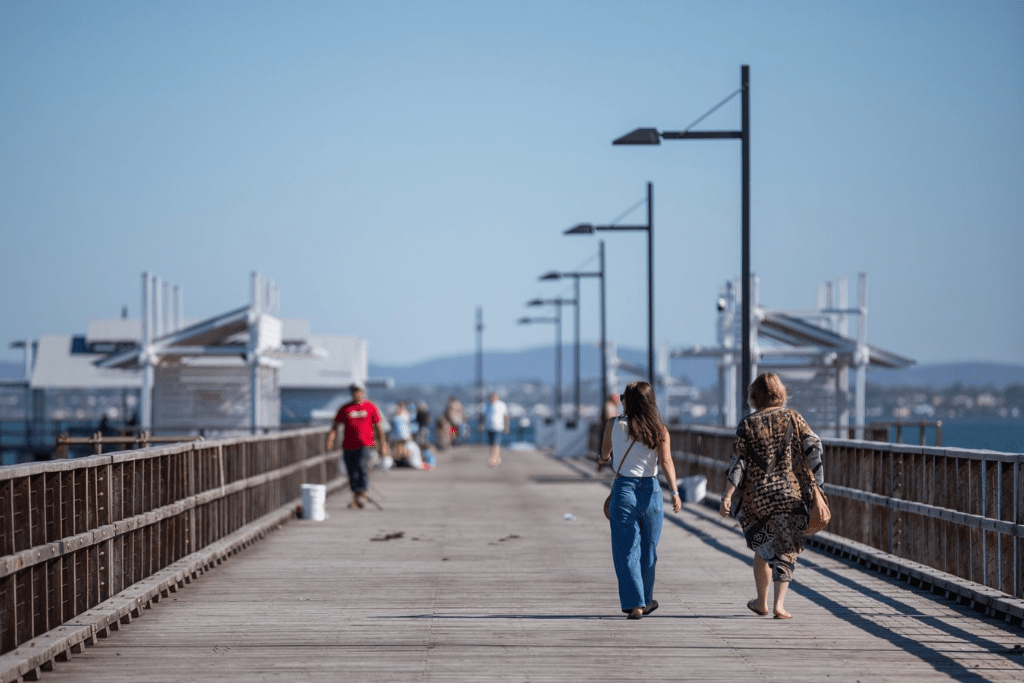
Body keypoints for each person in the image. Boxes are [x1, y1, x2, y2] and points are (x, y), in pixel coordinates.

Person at [718, 372, 824, 620]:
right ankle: (779, 605)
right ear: (780, 393)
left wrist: (727, 494)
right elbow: (814, 446)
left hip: (759, 498)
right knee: (786, 548)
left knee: (762, 546)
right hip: (791, 494)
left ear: (754, 396)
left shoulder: (747, 425)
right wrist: (818, 483)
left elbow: (738, 463)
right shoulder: (793, 417)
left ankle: (761, 602)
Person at [598, 381, 681, 620]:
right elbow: (666, 462)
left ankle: (635, 604)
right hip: (651, 491)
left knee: (626, 550)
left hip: (624, 490)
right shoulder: (660, 430)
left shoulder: (614, 424)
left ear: (629, 401)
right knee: (649, 549)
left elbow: (605, 452)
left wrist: (605, 457)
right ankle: (645, 599)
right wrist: (675, 492)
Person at [325, 383, 389, 509]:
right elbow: (335, 426)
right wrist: (330, 440)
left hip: (365, 444)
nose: (356, 393)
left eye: (358, 391)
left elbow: (379, 429)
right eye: (353, 391)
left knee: (361, 467)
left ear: (363, 392)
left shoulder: (370, 407)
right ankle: (356, 496)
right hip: (348, 445)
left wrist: (382, 445)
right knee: (351, 471)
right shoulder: (345, 408)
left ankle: (362, 494)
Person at [484, 392, 510, 467]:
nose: (493, 398)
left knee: (496, 444)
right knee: (492, 444)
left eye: (494, 397)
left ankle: (493, 459)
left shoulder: (501, 405)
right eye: (491, 397)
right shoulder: (487, 405)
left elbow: (506, 416)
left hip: (498, 427)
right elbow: (484, 416)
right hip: (489, 427)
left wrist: (506, 426)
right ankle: (497, 459)